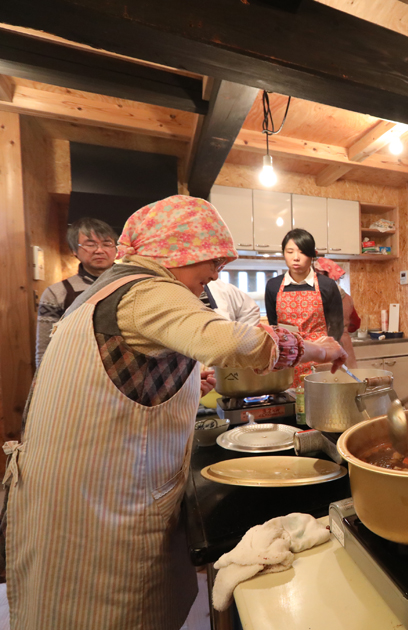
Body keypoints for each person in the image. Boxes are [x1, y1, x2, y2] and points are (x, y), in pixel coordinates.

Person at [4, 195, 346, 630]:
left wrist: (186, 380)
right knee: (101, 614)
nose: (216, 272)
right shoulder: (146, 288)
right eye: (213, 259)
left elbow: (124, 371)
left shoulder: (113, 286)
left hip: (81, 485)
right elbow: (230, 342)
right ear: (181, 250)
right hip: (94, 499)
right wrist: (315, 347)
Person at [35, 216, 119, 367]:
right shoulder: (57, 292)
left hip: (125, 371)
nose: (99, 250)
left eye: (107, 244)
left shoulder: (132, 284)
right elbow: (45, 347)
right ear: (74, 250)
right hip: (77, 370)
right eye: (90, 244)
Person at [265, 228, 344, 388]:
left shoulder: (327, 285)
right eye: (290, 251)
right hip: (289, 356)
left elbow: (337, 325)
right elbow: (274, 325)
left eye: (302, 252)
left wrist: (329, 351)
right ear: (283, 254)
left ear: (312, 255)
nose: (295, 258)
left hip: (319, 356)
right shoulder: (273, 286)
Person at [315, 257, 360, 367]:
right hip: (344, 345)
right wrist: (343, 330)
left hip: (322, 346)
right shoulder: (347, 297)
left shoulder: (315, 297)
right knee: (347, 380)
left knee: (324, 379)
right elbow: (355, 324)